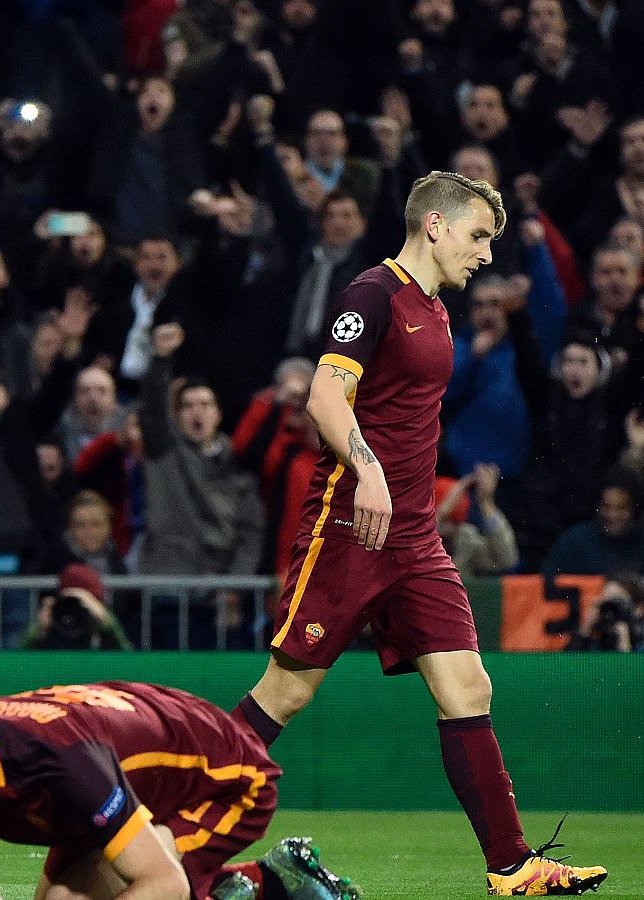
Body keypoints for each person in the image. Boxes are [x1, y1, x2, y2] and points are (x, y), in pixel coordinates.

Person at [229, 171, 608, 895]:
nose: (486, 255)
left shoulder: (435, 311)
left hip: (414, 542)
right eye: (478, 236)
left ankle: (513, 866)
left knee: (468, 685)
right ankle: (166, 826)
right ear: (435, 225)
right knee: (286, 693)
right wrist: (366, 468)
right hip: (349, 529)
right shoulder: (373, 294)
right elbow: (323, 394)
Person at [0, 681, 359, 900]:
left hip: (222, 779)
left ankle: (274, 885)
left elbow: (162, 885)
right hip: (128, 768)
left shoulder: (61, 765)